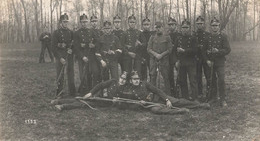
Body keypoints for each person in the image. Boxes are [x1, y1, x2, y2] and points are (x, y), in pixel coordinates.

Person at [51, 72, 210, 113]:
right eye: (123, 78)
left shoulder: (135, 86)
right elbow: (100, 85)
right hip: (102, 100)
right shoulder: (114, 82)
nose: (122, 80)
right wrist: (91, 93)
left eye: (134, 79)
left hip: (160, 99)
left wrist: (166, 99)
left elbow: (158, 90)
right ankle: (60, 103)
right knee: (83, 101)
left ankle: (201, 105)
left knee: (178, 101)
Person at [203, 17, 231, 107]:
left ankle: (223, 99)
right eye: (213, 26)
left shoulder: (223, 37)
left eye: (216, 25)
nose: (214, 27)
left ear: (219, 26)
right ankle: (213, 97)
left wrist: (218, 51)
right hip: (211, 62)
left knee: (221, 80)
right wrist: (207, 60)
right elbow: (203, 51)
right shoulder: (207, 38)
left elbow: (228, 49)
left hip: (220, 62)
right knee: (212, 80)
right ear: (211, 27)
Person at [52, 13, 76, 97]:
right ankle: (59, 92)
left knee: (70, 73)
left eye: (67, 22)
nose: (65, 23)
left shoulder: (71, 32)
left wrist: (71, 50)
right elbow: (53, 48)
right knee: (60, 74)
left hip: (69, 56)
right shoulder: (56, 33)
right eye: (64, 22)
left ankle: (72, 92)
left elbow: (74, 45)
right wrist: (60, 58)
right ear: (60, 23)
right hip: (60, 56)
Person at [174, 19, 198, 101]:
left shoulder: (193, 38)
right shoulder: (178, 39)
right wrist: (176, 61)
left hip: (191, 62)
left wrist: (184, 51)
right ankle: (185, 97)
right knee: (182, 80)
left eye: (186, 27)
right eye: (183, 27)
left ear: (189, 28)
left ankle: (194, 97)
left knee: (192, 81)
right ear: (181, 28)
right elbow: (174, 51)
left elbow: (195, 50)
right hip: (181, 62)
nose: (185, 29)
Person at [147, 21, 172, 95]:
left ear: (162, 28)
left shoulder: (167, 37)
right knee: (153, 77)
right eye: (156, 28)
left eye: (159, 27)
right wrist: (156, 55)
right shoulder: (152, 37)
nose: (158, 29)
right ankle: (152, 95)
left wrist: (161, 55)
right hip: (154, 60)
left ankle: (167, 95)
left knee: (166, 78)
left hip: (164, 61)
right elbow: (148, 49)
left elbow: (170, 49)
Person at [74, 14, 95, 95]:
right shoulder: (77, 33)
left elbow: (96, 42)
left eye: (86, 22)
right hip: (81, 56)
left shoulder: (91, 31)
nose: (84, 24)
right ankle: (83, 90)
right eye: (83, 22)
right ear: (80, 23)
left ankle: (90, 90)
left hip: (90, 55)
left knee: (89, 73)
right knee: (82, 74)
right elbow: (76, 47)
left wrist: (93, 45)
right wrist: (82, 57)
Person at [194, 16, 211, 99]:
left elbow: (210, 46)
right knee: (198, 76)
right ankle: (200, 93)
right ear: (196, 25)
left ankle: (209, 93)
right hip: (197, 58)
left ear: (203, 24)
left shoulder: (208, 35)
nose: (199, 25)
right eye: (198, 24)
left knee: (208, 75)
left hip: (206, 58)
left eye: (201, 24)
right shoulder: (194, 34)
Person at [88, 14, 102, 89]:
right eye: (92, 21)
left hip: (100, 55)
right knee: (95, 72)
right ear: (90, 22)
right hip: (92, 55)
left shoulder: (100, 31)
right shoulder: (88, 31)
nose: (94, 23)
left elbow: (102, 42)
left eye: (95, 21)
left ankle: (99, 89)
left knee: (100, 72)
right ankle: (93, 90)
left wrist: (96, 45)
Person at [167, 17, 179, 97]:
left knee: (179, 76)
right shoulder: (167, 35)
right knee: (170, 75)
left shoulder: (179, 34)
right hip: (169, 57)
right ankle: (172, 92)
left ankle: (178, 92)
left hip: (178, 57)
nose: (171, 26)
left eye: (172, 25)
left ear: (176, 25)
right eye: (169, 25)